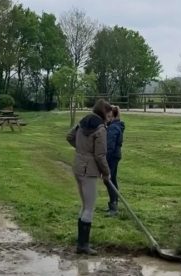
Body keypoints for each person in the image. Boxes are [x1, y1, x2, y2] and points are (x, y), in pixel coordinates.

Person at [67, 99, 112, 255]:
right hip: (90, 170)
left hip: (78, 166)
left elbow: (69, 136)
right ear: (104, 113)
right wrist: (106, 173)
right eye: (109, 113)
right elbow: (100, 155)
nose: (110, 117)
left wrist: (81, 149)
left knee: (84, 204)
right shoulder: (101, 129)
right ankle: (83, 245)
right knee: (89, 207)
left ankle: (81, 243)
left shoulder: (83, 121)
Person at [104, 106, 125, 216]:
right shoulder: (116, 126)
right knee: (112, 179)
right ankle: (114, 203)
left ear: (113, 116)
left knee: (109, 180)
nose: (107, 118)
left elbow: (110, 146)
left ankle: (114, 207)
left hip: (111, 156)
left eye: (109, 116)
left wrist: (104, 159)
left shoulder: (113, 128)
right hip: (116, 155)